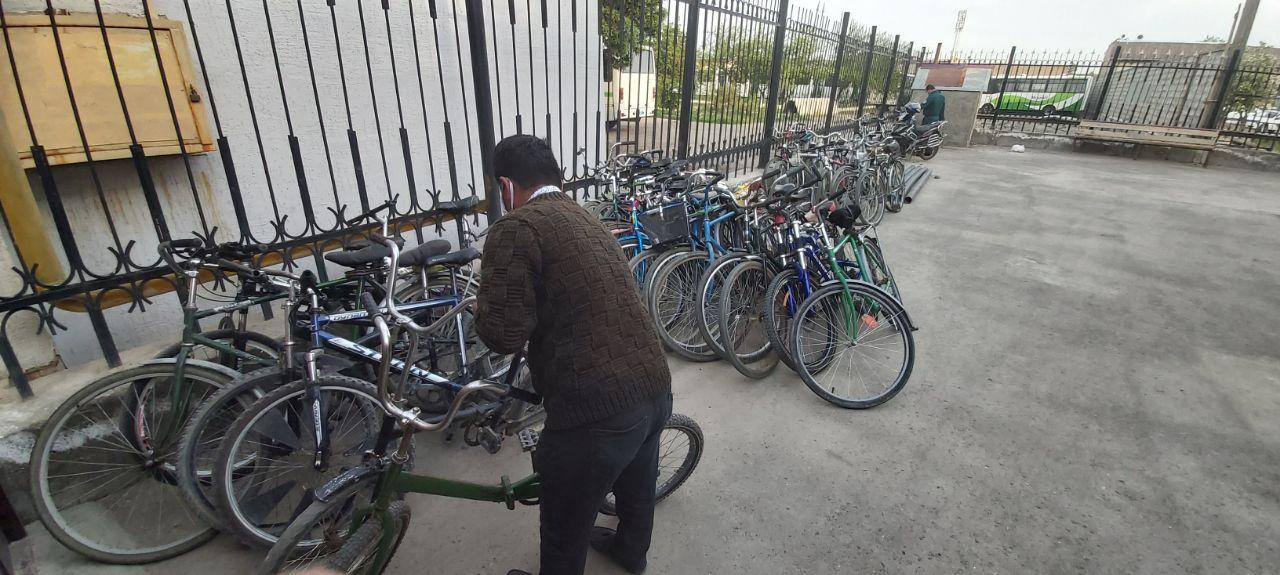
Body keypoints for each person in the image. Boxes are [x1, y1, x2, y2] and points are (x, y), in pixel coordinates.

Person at [475, 134, 673, 575]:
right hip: (654, 385)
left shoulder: (516, 227)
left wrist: (480, 308)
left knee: (564, 524)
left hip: (597, 411)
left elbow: (503, 335)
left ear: (505, 186)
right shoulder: (586, 217)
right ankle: (630, 553)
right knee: (637, 489)